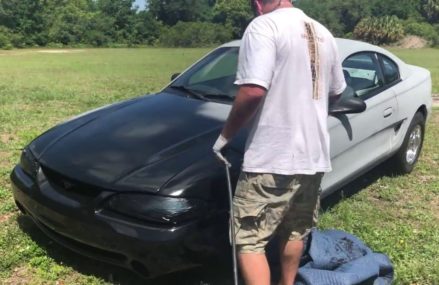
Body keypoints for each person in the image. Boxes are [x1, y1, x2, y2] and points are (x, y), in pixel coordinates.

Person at [212, 0, 347, 284]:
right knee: (295, 230)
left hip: (271, 157)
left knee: (249, 240)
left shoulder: (264, 25)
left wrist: (225, 137)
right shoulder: (323, 32)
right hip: (313, 156)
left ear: (259, 3)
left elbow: (252, 91)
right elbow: (336, 93)